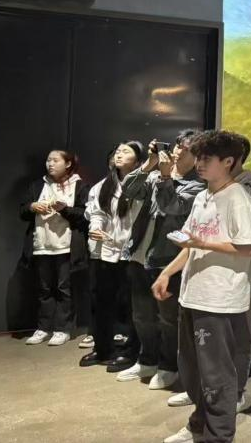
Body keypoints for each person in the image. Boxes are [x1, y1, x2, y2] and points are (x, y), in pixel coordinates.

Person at [154, 130, 251, 443]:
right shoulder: (203, 195)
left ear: (228, 162)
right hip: (193, 294)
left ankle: (219, 435)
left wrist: (204, 243)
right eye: (198, 157)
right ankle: (199, 424)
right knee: (193, 370)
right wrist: (166, 273)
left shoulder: (237, 197)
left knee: (217, 375)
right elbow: (190, 243)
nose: (199, 164)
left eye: (206, 158)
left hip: (220, 298)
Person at [119, 131, 204, 390]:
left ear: (197, 157)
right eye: (177, 146)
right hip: (139, 254)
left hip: (167, 259)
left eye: (186, 150)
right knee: (142, 315)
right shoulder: (155, 174)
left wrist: (166, 178)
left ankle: (169, 366)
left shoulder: (197, 185)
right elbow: (128, 190)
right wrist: (149, 163)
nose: (178, 152)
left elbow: (173, 207)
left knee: (168, 319)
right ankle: (147, 359)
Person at [80, 141, 146, 369]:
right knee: (101, 301)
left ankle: (129, 352)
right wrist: (95, 228)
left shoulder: (144, 184)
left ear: (138, 161)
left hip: (130, 252)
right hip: (104, 251)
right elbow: (96, 212)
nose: (119, 154)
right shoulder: (103, 185)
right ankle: (102, 348)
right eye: (118, 151)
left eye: (126, 152)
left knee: (128, 304)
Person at [21, 149, 90, 347]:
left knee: (64, 288)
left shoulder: (80, 185)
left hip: (66, 245)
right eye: (48, 160)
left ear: (67, 164)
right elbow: (22, 211)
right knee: (44, 288)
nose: (50, 164)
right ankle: (43, 328)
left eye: (55, 160)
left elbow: (85, 215)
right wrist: (32, 207)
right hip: (41, 244)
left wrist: (63, 209)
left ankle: (62, 329)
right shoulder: (38, 185)